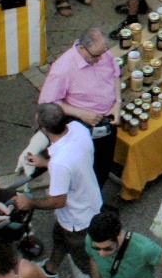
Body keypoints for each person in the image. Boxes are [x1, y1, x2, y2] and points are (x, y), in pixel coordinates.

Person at [26, 103, 105, 278]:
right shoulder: (79, 129)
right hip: (89, 201)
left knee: (85, 260)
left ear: (44, 130)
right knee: (59, 238)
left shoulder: (60, 163)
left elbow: (57, 201)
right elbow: (74, 161)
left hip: (77, 220)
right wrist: (46, 163)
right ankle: (51, 269)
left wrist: (30, 203)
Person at [38, 27, 121, 186]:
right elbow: (47, 102)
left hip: (107, 118)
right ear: (82, 48)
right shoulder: (63, 69)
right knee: (90, 166)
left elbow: (115, 73)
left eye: (102, 53)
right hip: (85, 125)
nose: (99, 59)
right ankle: (89, 200)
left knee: (104, 161)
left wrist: (117, 102)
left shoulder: (101, 54)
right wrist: (81, 113)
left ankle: (98, 191)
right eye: (95, 56)